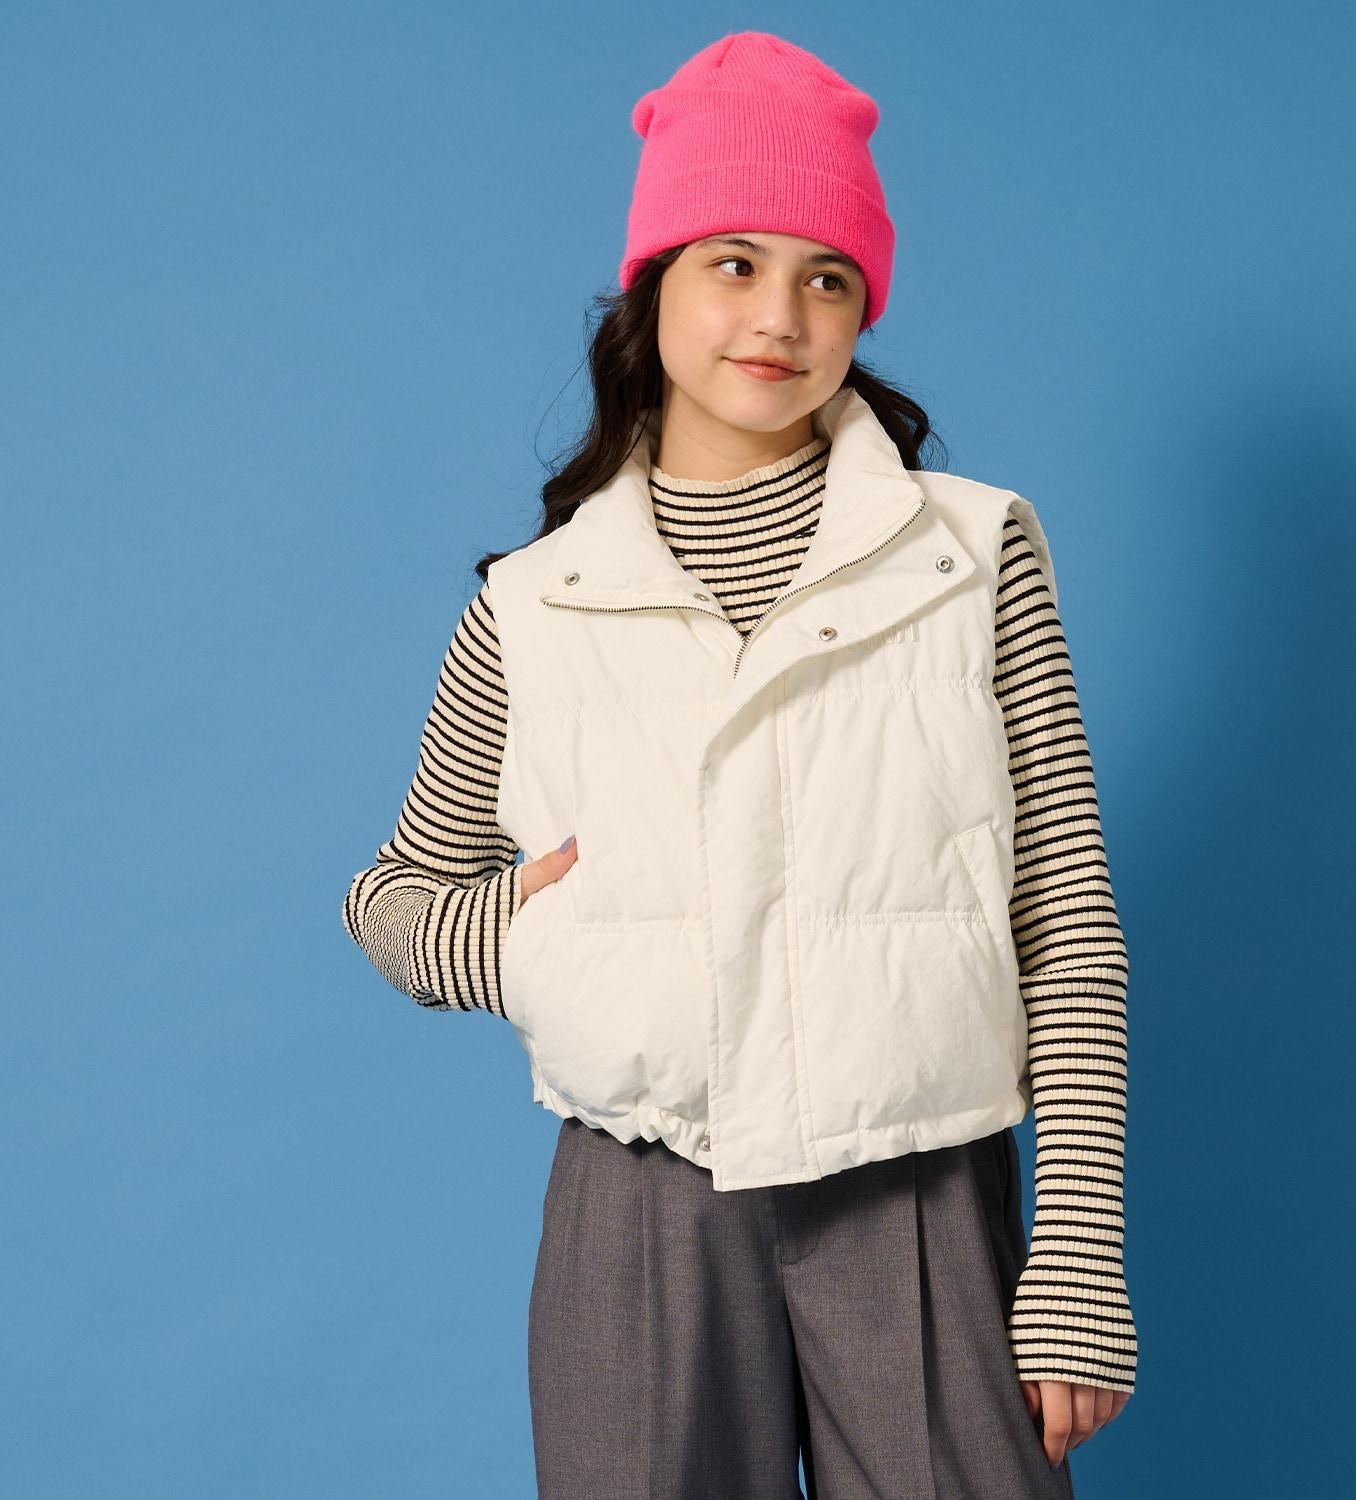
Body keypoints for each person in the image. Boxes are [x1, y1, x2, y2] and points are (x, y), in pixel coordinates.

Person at [342, 30, 1136, 1498]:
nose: (779, 316)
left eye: (828, 278)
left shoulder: (974, 556)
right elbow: (394, 902)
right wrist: (535, 938)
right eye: (734, 263)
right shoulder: (535, 603)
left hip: (915, 1186)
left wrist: (1078, 1259)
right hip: (638, 1197)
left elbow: (1068, 923)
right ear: (652, 287)